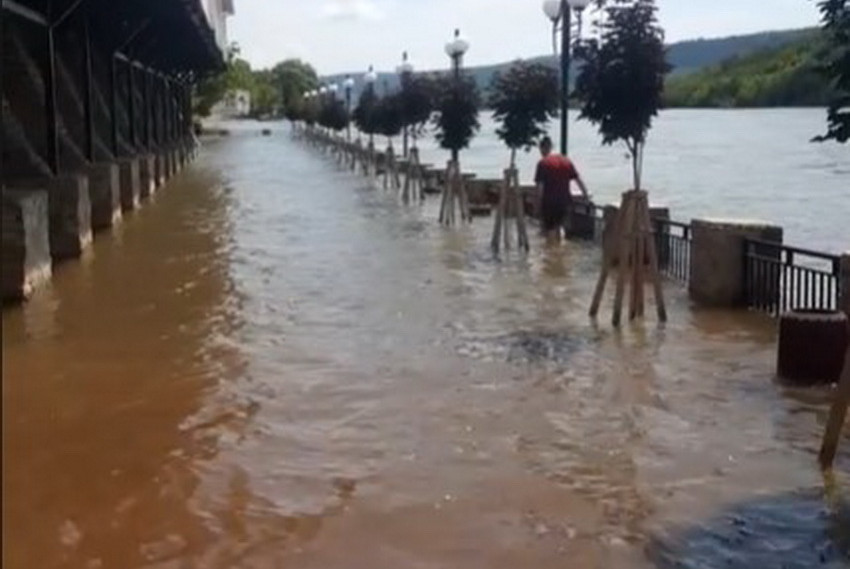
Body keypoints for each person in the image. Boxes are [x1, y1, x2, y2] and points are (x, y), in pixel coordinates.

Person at [534, 136, 590, 243]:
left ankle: (552, 255)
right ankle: (561, 253)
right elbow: (578, 180)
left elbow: (540, 188)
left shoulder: (543, 164)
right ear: (551, 147)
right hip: (564, 202)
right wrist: (586, 196)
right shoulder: (566, 161)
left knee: (549, 231)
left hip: (549, 203)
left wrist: (537, 205)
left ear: (541, 148)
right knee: (560, 228)